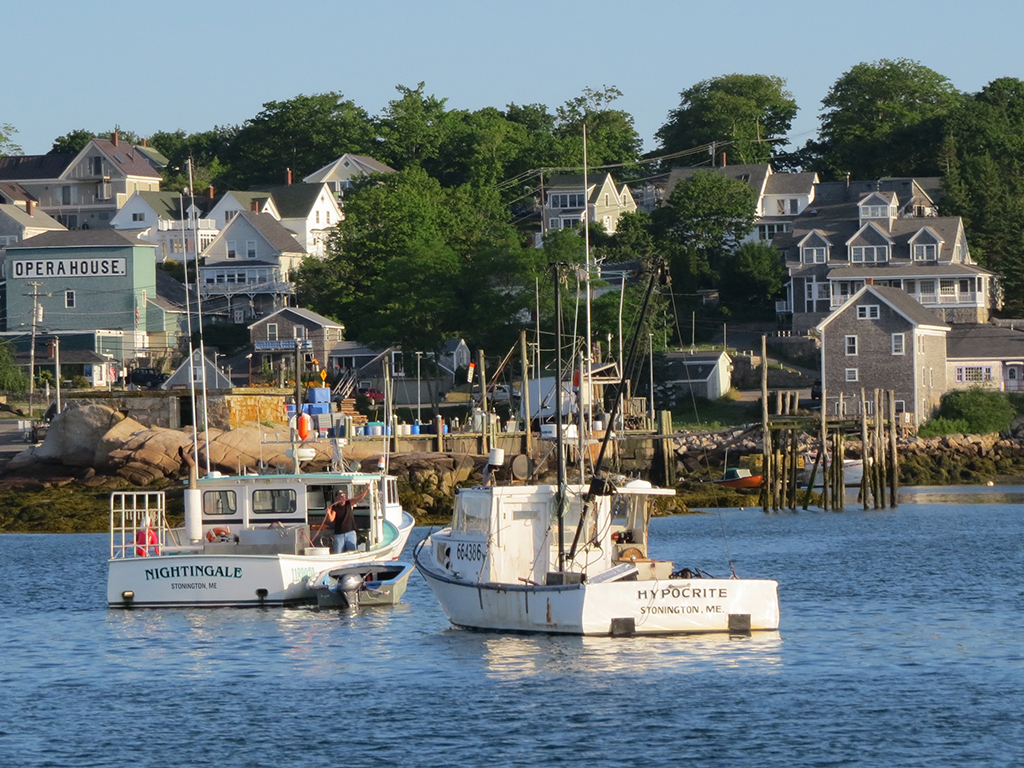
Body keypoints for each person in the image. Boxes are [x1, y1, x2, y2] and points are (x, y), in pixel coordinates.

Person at [326, 486, 369, 554]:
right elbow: (331, 519)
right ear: (337, 498)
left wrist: (366, 489)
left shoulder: (349, 503)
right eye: (340, 496)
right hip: (339, 534)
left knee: (352, 552)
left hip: (350, 532)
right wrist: (328, 513)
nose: (342, 497)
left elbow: (360, 497)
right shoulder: (335, 507)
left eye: (344, 496)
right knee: (338, 554)